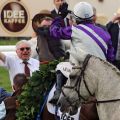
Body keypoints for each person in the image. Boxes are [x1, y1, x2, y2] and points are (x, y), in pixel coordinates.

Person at [49, 1, 114, 104]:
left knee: (61, 66)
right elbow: (110, 57)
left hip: (82, 72)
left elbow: (53, 31)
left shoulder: (74, 30)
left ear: (75, 17)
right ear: (93, 17)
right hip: (102, 74)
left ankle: (58, 94)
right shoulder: (105, 33)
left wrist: (60, 16)